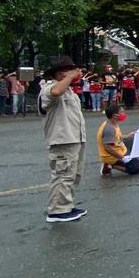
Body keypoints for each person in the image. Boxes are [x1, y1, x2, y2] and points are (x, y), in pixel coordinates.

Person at [39, 55, 88, 224]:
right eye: (68, 70)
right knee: (63, 174)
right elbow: (55, 93)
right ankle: (57, 211)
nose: (74, 74)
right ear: (59, 73)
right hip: (62, 139)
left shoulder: (69, 90)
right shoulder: (50, 88)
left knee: (73, 175)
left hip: (74, 137)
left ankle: (66, 205)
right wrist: (69, 76)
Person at [97, 102, 139, 176]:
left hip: (120, 149)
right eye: (121, 112)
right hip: (112, 156)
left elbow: (117, 137)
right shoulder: (109, 129)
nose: (123, 114)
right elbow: (107, 147)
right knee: (136, 168)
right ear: (115, 116)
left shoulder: (113, 123)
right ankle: (109, 165)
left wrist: (128, 136)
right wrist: (122, 158)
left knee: (132, 139)